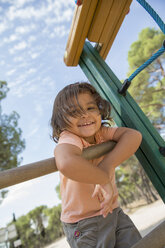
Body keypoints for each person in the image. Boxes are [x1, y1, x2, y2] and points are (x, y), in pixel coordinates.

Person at [51, 82, 142, 248]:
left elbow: (133, 135)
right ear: (62, 122)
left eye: (90, 108)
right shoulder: (70, 137)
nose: (84, 115)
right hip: (85, 222)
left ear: (100, 110)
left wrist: (107, 166)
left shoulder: (102, 133)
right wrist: (103, 179)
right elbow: (66, 162)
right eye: (73, 112)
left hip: (113, 210)